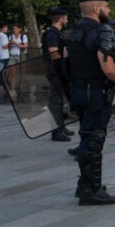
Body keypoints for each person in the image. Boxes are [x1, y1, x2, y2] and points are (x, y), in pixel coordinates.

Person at [66, 0, 115, 205]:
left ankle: (85, 183)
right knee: (95, 140)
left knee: (86, 137)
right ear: (96, 8)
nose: (108, 10)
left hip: (79, 92)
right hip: (96, 93)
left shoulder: (73, 31)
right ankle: (90, 190)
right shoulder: (102, 31)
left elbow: (64, 61)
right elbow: (108, 68)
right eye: (106, 6)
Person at [42, 8, 73, 142]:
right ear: (61, 19)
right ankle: (56, 131)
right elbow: (53, 52)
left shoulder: (57, 33)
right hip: (55, 71)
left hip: (59, 71)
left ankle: (61, 127)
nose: (67, 20)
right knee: (55, 101)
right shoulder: (52, 34)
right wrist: (62, 64)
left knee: (60, 100)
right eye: (66, 18)